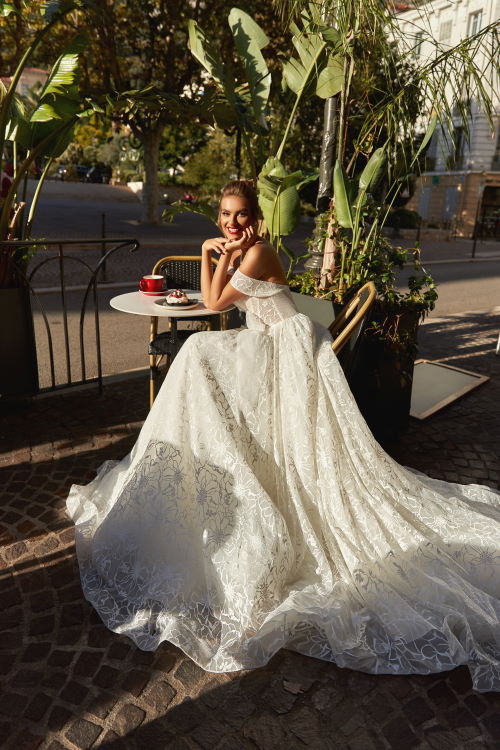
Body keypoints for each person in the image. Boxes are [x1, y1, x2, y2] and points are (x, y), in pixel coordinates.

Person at [67, 180, 500, 692]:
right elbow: (220, 302)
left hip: (281, 350)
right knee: (196, 361)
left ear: (255, 218)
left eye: (241, 214)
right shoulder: (241, 249)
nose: (232, 223)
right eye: (225, 215)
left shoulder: (259, 253)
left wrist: (217, 255)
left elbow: (211, 301)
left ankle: (211, 460)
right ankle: (209, 461)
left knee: (194, 358)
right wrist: (213, 250)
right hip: (264, 341)